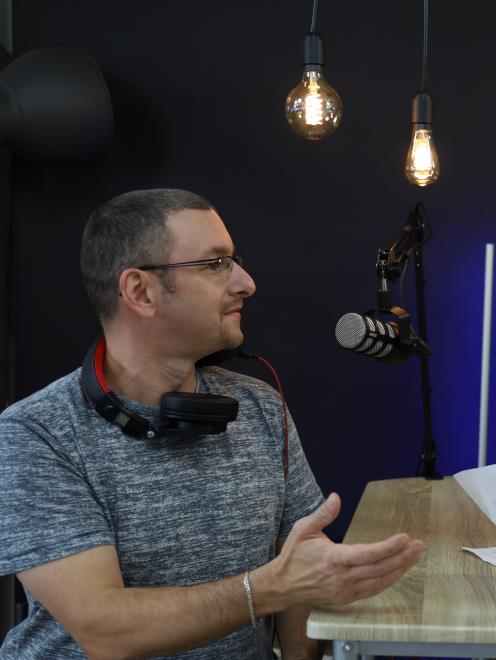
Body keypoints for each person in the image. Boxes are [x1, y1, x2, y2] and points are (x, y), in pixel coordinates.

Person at [0, 189, 425, 659]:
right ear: (140, 292)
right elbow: (105, 631)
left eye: (235, 261)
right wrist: (270, 587)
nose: (246, 282)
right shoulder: (34, 434)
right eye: (216, 264)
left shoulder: (260, 407)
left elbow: (301, 574)